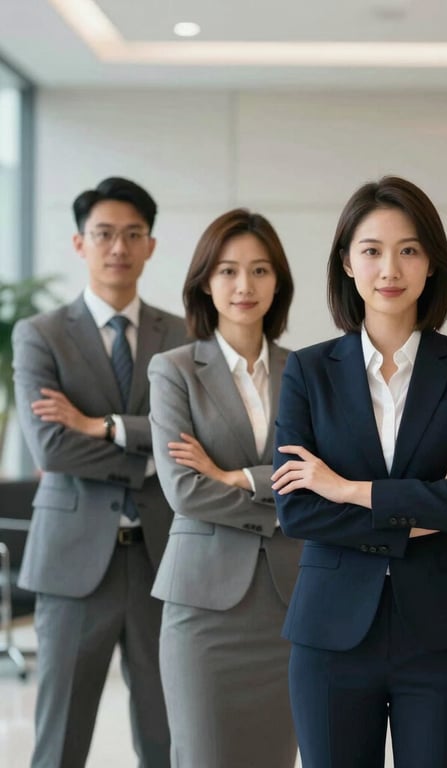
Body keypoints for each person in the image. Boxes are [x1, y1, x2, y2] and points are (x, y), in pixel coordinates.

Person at [270, 175, 447, 768]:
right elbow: (297, 508)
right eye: (371, 250)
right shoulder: (308, 370)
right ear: (347, 263)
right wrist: (429, 502)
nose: (389, 268)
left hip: (445, 635)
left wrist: (348, 489)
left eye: (408, 250)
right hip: (331, 634)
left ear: (432, 263)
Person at [12, 177, 187, 767]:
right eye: (104, 234)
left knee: (167, 737)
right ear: (79, 243)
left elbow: (192, 442)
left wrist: (100, 425)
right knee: (60, 739)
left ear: (151, 245)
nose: (119, 247)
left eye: (132, 234)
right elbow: (53, 449)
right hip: (71, 563)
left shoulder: (183, 337)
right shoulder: (40, 335)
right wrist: (151, 446)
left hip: (162, 560)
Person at [147, 208, 302, 768]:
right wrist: (282, 504)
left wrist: (236, 477)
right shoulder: (174, 371)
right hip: (203, 610)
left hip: (290, 605)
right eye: (229, 270)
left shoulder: (308, 371)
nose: (244, 285)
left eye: (260, 270)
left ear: (277, 283)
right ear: (205, 282)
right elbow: (185, 491)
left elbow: (321, 481)